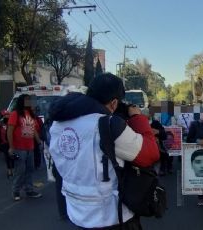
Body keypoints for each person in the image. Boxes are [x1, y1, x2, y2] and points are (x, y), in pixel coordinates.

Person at [48, 73, 159, 229]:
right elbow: (150, 153)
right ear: (114, 103)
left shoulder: (57, 124)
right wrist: (137, 118)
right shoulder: (108, 124)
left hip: (77, 215)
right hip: (112, 217)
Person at [7, 94, 43, 201]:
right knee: (21, 170)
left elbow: (34, 129)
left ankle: (29, 190)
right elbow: (10, 131)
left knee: (30, 169)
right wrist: (11, 147)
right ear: (22, 101)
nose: (30, 102)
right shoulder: (15, 114)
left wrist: (39, 141)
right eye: (28, 100)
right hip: (19, 148)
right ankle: (16, 191)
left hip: (30, 147)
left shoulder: (31, 114)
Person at [0, 111, 13, 179]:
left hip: (12, 142)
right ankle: (9, 170)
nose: (7, 116)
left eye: (8, 115)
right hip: (4, 143)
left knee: (12, 156)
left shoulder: (11, 122)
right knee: (7, 156)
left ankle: (12, 168)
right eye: (5, 115)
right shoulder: (0, 123)